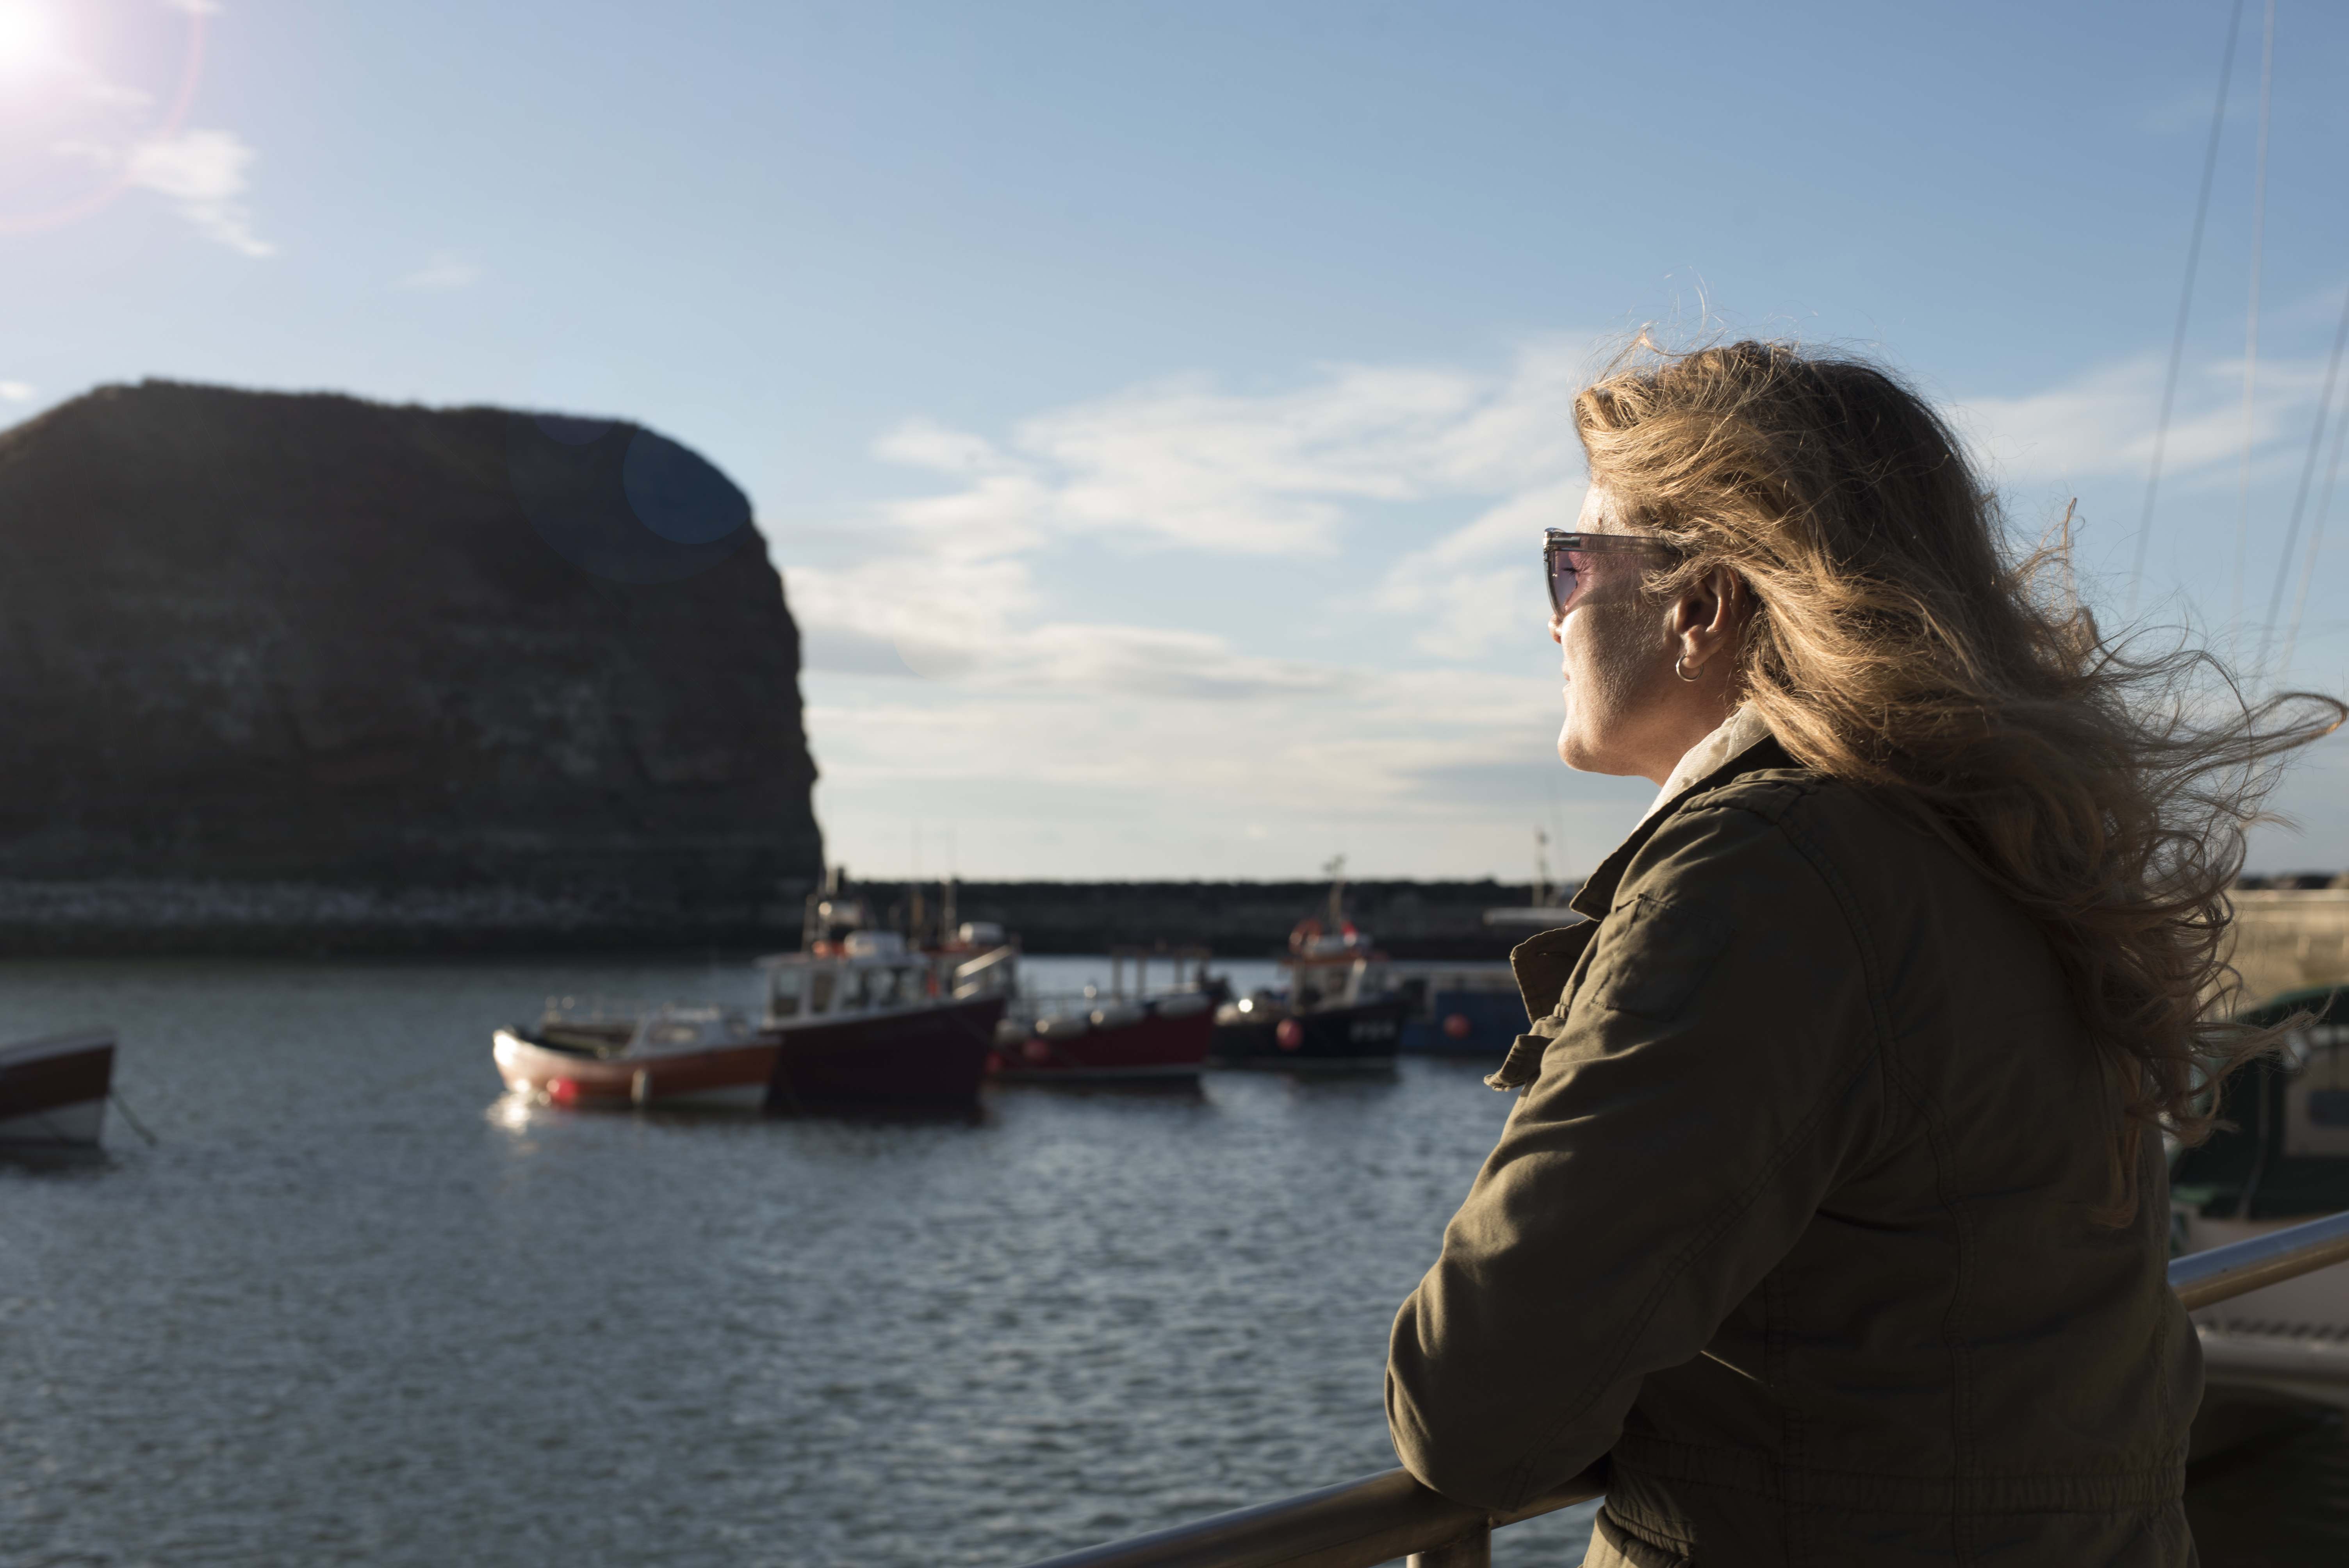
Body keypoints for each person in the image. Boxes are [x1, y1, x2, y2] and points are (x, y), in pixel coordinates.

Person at [1383, 338, 2344, 1567]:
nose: (1555, 618)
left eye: (1574, 567)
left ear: (1702, 606)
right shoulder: (1998, 842)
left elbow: (1471, 1412)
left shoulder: (1759, 882)